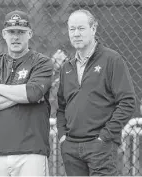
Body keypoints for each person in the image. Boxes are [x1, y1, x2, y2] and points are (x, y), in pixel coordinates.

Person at [56, 9, 136, 176]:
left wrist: (105, 137)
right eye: (72, 29)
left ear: (93, 29)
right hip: (71, 149)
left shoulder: (112, 59)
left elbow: (127, 102)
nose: (76, 34)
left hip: (100, 147)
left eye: (81, 28)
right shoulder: (66, 68)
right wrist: (63, 137)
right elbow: (62, 108)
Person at [0, 10, 53, 176]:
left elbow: (33, 93)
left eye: (21, 32)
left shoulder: (42, 62)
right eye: (11, 32)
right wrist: (22, 94)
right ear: (4, 34)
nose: (16, 37)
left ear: (30, 34)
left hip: (32, 152)